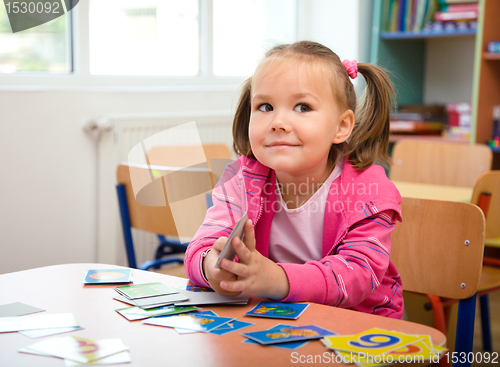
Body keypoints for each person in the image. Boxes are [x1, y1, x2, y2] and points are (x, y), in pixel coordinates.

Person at [185, 41, 404, 319]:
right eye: (265, 106)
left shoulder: (369, 190)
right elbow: (201, 246)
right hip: (277, 317)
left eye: (302, 107)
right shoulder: (240, 179)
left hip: (360, 322)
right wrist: (211, 267)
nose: (278, 122)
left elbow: (358, 275)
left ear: (341, 127)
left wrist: (276, 279)